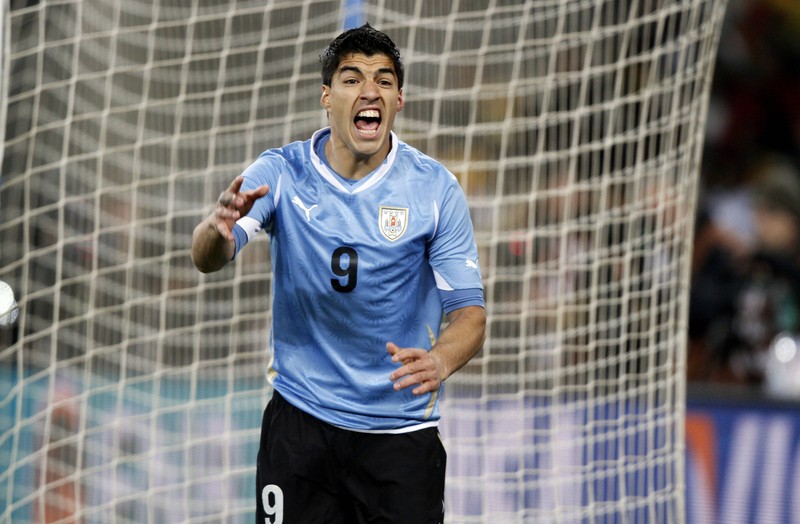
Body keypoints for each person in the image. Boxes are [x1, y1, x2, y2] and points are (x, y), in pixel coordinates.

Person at [191, 23, 486, 523]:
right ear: (327, 97)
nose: (369, 90)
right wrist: (217, 231)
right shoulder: (281, 172)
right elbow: (207, 258)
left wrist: (439, 361)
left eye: (384, 80)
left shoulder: (435, 190)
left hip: (398, 438)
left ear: (399, 101)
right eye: (352, 79)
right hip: (300, 428)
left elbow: (471, 316)